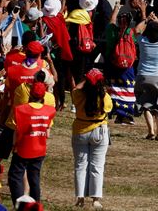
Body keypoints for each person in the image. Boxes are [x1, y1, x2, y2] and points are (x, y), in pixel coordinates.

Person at [9, 81, 56, 204]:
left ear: (30, 94)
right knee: (34, 178)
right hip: (39, 149)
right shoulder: (50, 111)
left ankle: (20, 204)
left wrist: (14, 145)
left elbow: (16, 131)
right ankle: (36, 204)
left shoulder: (20, 110)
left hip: (23, 148)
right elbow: (47, 133)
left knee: (15, 176)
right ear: (43, 96)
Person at [71, 68, 112, 209]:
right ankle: (95, 199)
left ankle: (80, 199)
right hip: (99, 132)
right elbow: (109, 109)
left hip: (80, 131)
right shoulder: (105, 97)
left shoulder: (78, 94)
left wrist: (84, 79)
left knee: (80, 166)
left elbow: (75, 88)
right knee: (97, 166)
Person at [134, 8, 158, 141]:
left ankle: (151, 132)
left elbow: (137, 30)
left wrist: (147, 19)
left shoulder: (143, 42)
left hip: (143, 76)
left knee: (146, 104)